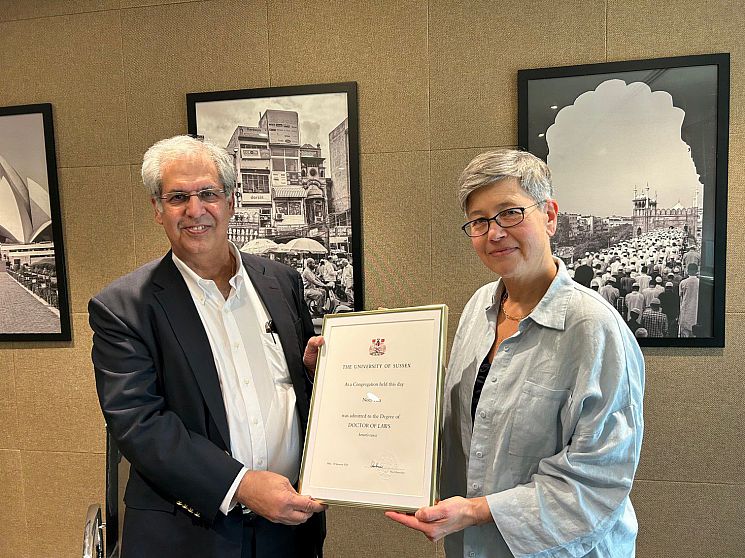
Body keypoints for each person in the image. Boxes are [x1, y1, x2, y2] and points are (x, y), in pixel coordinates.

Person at [386, 149, 645, 557]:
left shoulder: (592, 327)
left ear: (550, 215)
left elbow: (599, 477)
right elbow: (461, 424)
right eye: (479, 221)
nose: (494, 233)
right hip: (473, 545)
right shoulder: (477, 308)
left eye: (510, 213)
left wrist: (478, 510)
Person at [89, 135, 326, 558]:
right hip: (188, 533)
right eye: (178, 197)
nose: (195, 210)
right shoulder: (122, 307)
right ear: (158, 210)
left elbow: (292, 394)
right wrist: (242, 485)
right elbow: (139, 423)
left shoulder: (281, 281)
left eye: (208, 194)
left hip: (290, 530)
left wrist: (313, 373)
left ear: (231, 201)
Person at [678, 262, 700, 337]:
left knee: (684, 334)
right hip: (696, 310)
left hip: (686, 310)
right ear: (697, 271)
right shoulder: (699, 282)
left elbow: (680, 296)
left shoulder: (683, 282)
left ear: (688, 271)